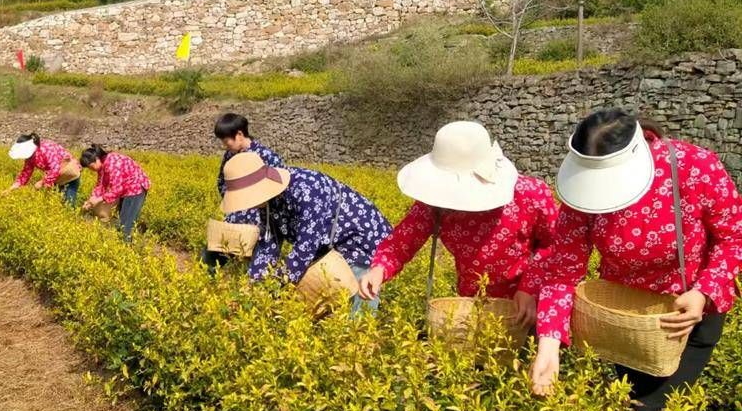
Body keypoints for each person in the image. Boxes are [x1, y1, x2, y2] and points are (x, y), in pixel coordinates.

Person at [528, 109, 742, 411]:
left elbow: (733, 235)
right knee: (631, 404)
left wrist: (704, 291)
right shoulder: (582, 188)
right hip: (625, 320)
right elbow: (563, 270)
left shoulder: (694, 167)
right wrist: (548, 346)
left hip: (687, 315)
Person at [358, 121, 557, 325]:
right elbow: (402, 241)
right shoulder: (437, 202)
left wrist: (529, 288)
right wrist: (379, 269)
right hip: (470, 304)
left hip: (529, 304)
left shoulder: (529, 195)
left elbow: (554, 245)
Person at [221, 151, 391, 312]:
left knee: (361, 290)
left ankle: (360, 330)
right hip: (329, 243)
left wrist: (273, 286)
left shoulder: (307, 189)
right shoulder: (266, 202)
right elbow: (268, 245)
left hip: (359, 238)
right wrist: (254, 283)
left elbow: (305, 250)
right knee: (330, 298)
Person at [205, 113, 286, 268]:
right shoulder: (229, 155)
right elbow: (222, 181)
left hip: (261, 222)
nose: (224, 145)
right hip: (235, 218)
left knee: (256, 266)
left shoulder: (266, 156)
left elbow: (280, 186)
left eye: (226, 141)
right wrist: (233, 202)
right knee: (213, 257)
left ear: (239, 135)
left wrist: (260, 207)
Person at [79, 145, 151, 242]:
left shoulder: (112, 163)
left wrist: (99, 199)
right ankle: (124, 242)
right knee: (122, 221)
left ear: (96, 159)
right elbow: (100, 185)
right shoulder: (102, 164)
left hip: (136, 188)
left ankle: (128, 247)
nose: (92, 170)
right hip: (126, 191)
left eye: (91, 167)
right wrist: (90, 200)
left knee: (126, 225)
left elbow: (117, 189)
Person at [5, 133, 80, 206]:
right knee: (56, 202)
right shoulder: (29, 158)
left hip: (69, 174)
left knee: (69, 203)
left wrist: (42, 182)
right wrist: (10, 189)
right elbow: (24, 176)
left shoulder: (46, 148)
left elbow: (55, 168)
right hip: (57, 177)